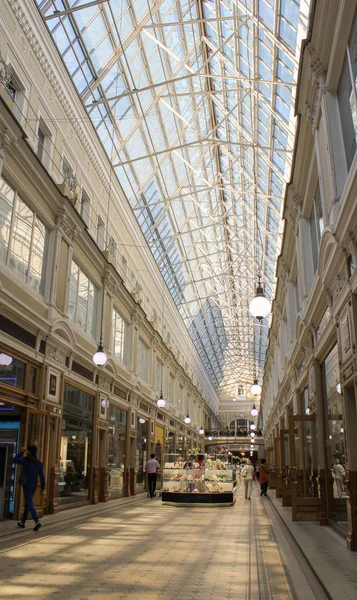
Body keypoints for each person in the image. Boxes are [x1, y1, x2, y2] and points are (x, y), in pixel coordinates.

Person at [14, 445, 46, 531]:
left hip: (27, 483)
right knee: (27, 502)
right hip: (34, 484)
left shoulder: (26, 460)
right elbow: (42, 477)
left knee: (29, 502)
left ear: (30, 452)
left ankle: (36, 521)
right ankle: (23, 522)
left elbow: (15, 459)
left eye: (28, 451)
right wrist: (43, 487)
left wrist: (21, 451)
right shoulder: (39, 463)